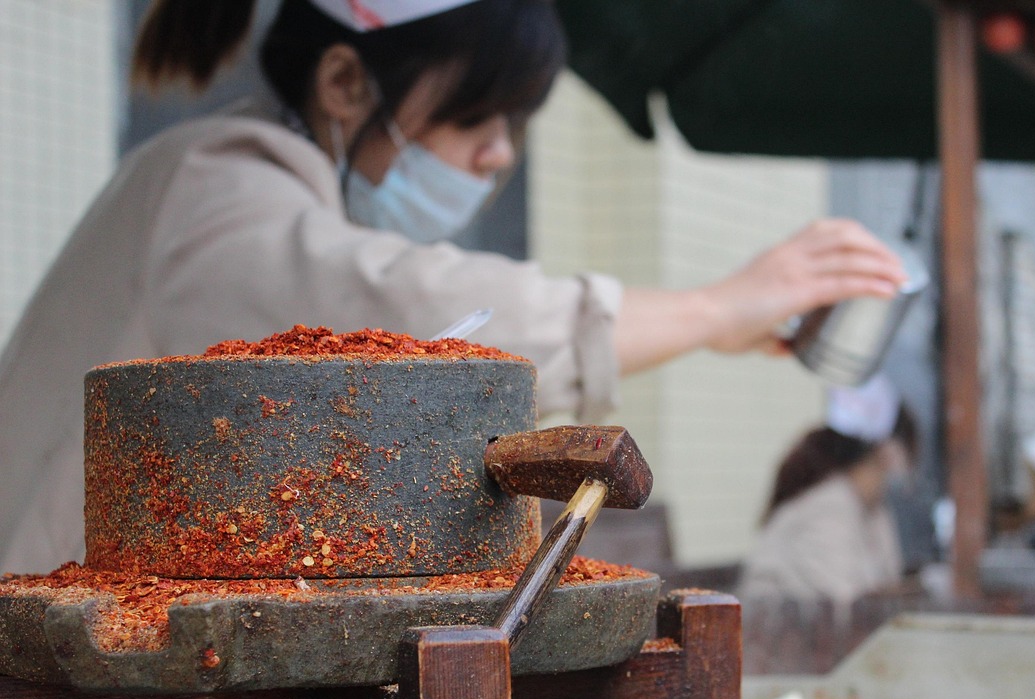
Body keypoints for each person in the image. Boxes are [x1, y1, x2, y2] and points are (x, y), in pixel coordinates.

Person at [0, 0, 906, 576]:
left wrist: (706, 322)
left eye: (513, 123)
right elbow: (395, 315)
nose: (501, 153)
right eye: (479, 113)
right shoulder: (217, 189)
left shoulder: (213, 178)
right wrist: (712, 309)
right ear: (346, 81)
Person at [738, 375, 917, 609]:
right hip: (777, 640)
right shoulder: (829, 507)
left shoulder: (870, 508)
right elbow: (850, 611)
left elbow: (886, 584)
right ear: (888, 452)